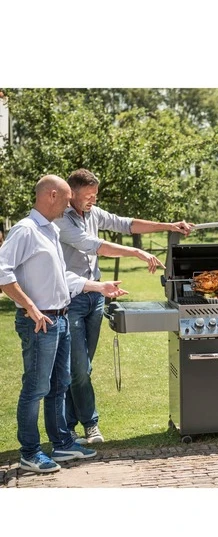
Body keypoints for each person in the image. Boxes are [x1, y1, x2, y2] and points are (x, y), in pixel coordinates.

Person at [54, 168, 193, 445]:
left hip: (96, 297)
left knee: (82, 368)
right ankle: (90, 424)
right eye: (88, 195)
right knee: (78, 368)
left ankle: (69, 427)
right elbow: (92, 245)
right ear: (72, 194)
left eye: (95, 195)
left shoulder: (94, 213)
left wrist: (169, 226)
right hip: (72, 298)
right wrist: (137, 252)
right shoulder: (61, 219)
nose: (93, 200)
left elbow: (127, 224)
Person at [0, 175, 128, 473]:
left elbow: (62, 277)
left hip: (60, 319)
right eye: (68, 198)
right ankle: (30, 452)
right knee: (36, 388)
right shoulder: (25, 230)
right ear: (52, 195)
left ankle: (62, 443)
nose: (70, 204)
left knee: (60, 385)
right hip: (40, 322)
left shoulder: (51, 231)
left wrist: (99, 287)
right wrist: (30, 307)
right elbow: (2, 272)